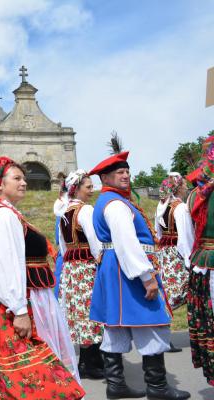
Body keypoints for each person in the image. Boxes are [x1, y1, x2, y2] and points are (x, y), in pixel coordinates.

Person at [0, 157, 84, 400]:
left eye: (24, 178)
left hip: (30, 295)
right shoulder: (3, 216)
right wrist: (19, 310)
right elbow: (5, 265)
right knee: (33, 373)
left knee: (32, 372)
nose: (24, 183)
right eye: (17, 178)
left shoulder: (8, 213)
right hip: (22, 300)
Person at [89, 151, 190, 399]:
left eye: (127, 171)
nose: (126, 175)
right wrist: (147, 276)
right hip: (128, 272)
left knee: (115, 326)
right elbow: (127, 243)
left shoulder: (112, 200)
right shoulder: (114, 204)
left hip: (117, 270)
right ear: (105, 177)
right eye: (119, 172)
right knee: (149, 323)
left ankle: (116, 385)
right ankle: (156, 387)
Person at [54, 169, 104, 379]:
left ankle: (88, 360)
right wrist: (99, 258)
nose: (91, 191)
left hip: (72, 269)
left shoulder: (65, 213)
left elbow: (63, 247)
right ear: (77, 189)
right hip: (86, 267)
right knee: (92, 312)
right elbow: (95, 241)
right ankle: (91, 361)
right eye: (88, 187)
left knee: (79, 313)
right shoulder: (86, 211)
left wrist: (69, 266)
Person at [187, 136, 214, 387]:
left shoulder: (197, 193)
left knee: (209, 320)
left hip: (201, 261)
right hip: (207, 265)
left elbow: (188, 236)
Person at [155, 173, 193, 353]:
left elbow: (158, 233)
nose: (186, 188)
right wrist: (189, 260)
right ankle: (198, 333)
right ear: (178, 188)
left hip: (165, 254)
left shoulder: (161, 206)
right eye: (184, 185)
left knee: (170, 294)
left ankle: (163, 334)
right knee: (186, 293)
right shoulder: (180, 208)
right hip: (177, 255)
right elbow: (185, 238)